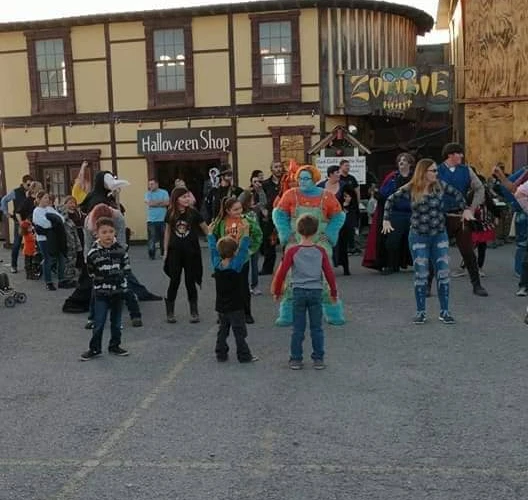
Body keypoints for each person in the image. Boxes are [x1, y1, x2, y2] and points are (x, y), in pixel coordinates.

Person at [382, 158, 472, 324]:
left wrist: (465, 209)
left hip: (439, 235)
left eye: (436, 170)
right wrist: (386, 220)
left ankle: (445, 311)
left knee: (443, 273)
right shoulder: (411, 187)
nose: (436, 174)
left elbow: (458, 195)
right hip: (418, 236)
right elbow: (390, 200)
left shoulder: (440, 185)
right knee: (421, 274)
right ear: (424, 172)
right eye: (433, 171)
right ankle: (420, 312)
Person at [272, 164, 345, 326]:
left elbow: (338, 216)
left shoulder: (326, 196)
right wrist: (285, 234)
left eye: (306, 178)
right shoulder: (290, 195)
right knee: (291, 276)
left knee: (325, 276)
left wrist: (330, 234)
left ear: (314, 179)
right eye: (300, 178)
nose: (302, 181)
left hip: (320, 241)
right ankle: (287, 313)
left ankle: (333, 311)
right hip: (295, 240)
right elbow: (278, 214)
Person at [271, 214, 337, 370]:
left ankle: (296, 359)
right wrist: (333, 292)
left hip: (298, 291)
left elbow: (282, 273)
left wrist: (277, 290)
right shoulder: (320, 251)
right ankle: (318, 358)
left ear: (298, 231)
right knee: (317, 328)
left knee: (298, 328)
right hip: (316, 291)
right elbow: (329, 274)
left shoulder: (292, 251)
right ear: (316, 232)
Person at [436, 143, 488, 296]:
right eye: (459, 153)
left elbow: (480, 188)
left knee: (468, 252)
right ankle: (427, 285)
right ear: (450, 155)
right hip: (441, 217)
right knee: (436, 251)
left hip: (461, 217)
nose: (462, 156)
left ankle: (477, 285)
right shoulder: (437, 171)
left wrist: (472, 208)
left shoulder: (466, 170)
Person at [80, 217, 130, 361]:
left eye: (111, 232)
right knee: (99, 321)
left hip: (118, 292)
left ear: (115, 233)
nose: (108, 235)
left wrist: (121, 282)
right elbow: (91, 272)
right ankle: (95, 348)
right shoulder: (93, 254)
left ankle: (115, 346)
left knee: (116, 322)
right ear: (97, 234)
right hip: (101, 293)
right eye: (104, 232)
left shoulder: (121, 250)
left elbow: (126, 268)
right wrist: (103, 280)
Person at [208, 222, 258, 363]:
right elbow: (243, 249)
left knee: (222, 330)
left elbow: (212, 249)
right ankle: (244, 355)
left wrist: (211, 234)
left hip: (221, 306)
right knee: (239, 332)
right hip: (236, 306)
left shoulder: (217, 264)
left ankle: (221, 353)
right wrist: (246, 233)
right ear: (235, 252)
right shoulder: (236, 266)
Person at [211, 196, 262, 323]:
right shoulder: (221, 222)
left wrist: (251, 250)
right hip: (225, 259)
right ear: (228, 210)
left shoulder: (248, 221)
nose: (239, 212)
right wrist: (219, 250)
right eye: (235, 209)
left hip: (241, 259)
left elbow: (258, 235)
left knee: (243, 287)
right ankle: (223, 313)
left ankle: (246, 313)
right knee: (223, 287)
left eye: (240, 208)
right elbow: (214, 234)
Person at [163, 187, 208, 323]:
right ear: (176, 199)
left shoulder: (193, 213)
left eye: (188, 196)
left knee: (190, 281)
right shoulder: (170, 213)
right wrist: (165, 251)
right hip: (175, 252)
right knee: (174, 281)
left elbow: (206, 228)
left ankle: (194, 312)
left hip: (191, 252)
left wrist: (216, 242)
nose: (187, 199)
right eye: (183, 197)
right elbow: (168, 232)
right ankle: (170, 312)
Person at [362, 153, 414, 272]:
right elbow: (384, 194)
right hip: (396, 213)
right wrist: (377, 193)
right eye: (400, 160)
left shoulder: (415, 177)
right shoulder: (393, 178)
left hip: (413, 214)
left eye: (404, 160)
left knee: (414, 241)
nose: (401, 162)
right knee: (392, 241)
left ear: (410, 163)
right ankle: (392, 265)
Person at [0, 174, 33, 273]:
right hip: (19, 221)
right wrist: (6, 213)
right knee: (17, 243)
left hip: (30, 220)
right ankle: (13, 265)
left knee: (31, 243)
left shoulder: (32, 192)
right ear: (23, 183)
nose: (29, 187)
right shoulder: (16, 192)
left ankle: (30, 265)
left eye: (30, 185)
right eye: (28, 184)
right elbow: (4, 200)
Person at [260, 161, 284, 275]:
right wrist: (263, 210)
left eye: (280, 167)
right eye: (276, 167)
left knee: (286, 241)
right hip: (270, 215)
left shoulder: (286, 182)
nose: (279, 169)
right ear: (271, 169)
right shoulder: (265, 184)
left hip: (285, 215)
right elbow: (259, 199)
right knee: (269, 243)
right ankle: (267, 268)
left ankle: (287, 267)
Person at [239, 189, 262, 295]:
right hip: (243, 242)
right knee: (244, 264)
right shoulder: (240, 214)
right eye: (251, 199)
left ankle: (254, 285)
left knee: (254, 264)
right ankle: (244, 285)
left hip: (254, 242)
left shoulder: (253, 212)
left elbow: (257, 227)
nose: (253, 201)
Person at [60, 196, 83, 286]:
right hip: (69, 238)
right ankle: (67, 278)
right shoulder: (64, 214)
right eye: (70, 203)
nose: (72, 205)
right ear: (65, 203)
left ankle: (73, 276)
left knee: (76, 257)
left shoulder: (77, 212)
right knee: (69, 258)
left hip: (77, 235)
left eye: (74, 203)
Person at [144, 179, 169, 260]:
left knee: (163, 237)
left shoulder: (164, 192)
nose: (150, 186)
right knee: (152, 238)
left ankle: (163, 253)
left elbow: (167, 203)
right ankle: (152, 254)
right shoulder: (147, 194)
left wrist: (155, 203)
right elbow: (150, 204)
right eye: (149, 184)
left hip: (163, 219)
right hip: (151, 220)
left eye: (152, 184)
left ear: (157, 184)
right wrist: (160, 202)